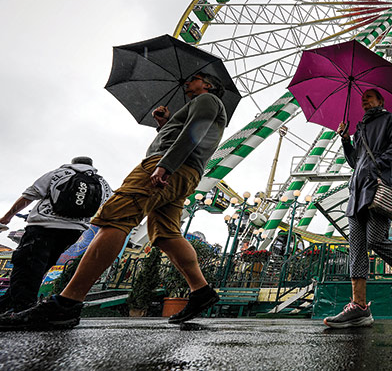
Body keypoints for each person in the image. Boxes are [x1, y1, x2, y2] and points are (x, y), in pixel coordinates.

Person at [0, 72, 227, 330]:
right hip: (186, 174)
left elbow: (193, 134)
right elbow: (185, 134)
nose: (188, 81)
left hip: (167, 167)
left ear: (208, 85)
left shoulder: (207, 99)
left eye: (195, 78)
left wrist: (166, 165)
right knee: (165, 234)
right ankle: (201, 290)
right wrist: (165, 124)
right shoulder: (199, 105)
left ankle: (66, 303)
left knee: (115, 219)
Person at [323, 89, 392, 328]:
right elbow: (354, 161)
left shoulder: (391, 119)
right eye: (363, 97)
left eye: (370, 96)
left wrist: (376, 167)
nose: (365, 98)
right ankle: (359, 306)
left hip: (378, 186)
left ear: (381, 101)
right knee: (356, 248)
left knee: (374, 240)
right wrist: (344, 139)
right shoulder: (359, 128)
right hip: (357, 189)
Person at [0, 157, 112, 314]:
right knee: (40, 268)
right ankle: (6, 306)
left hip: (42, 227)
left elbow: (30, 194)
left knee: (27, 267)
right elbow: (108, 206)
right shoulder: (102, 183)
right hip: (73, 232)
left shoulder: (60, 173)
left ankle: (21, 311)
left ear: (73, 163)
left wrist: (7, 217)